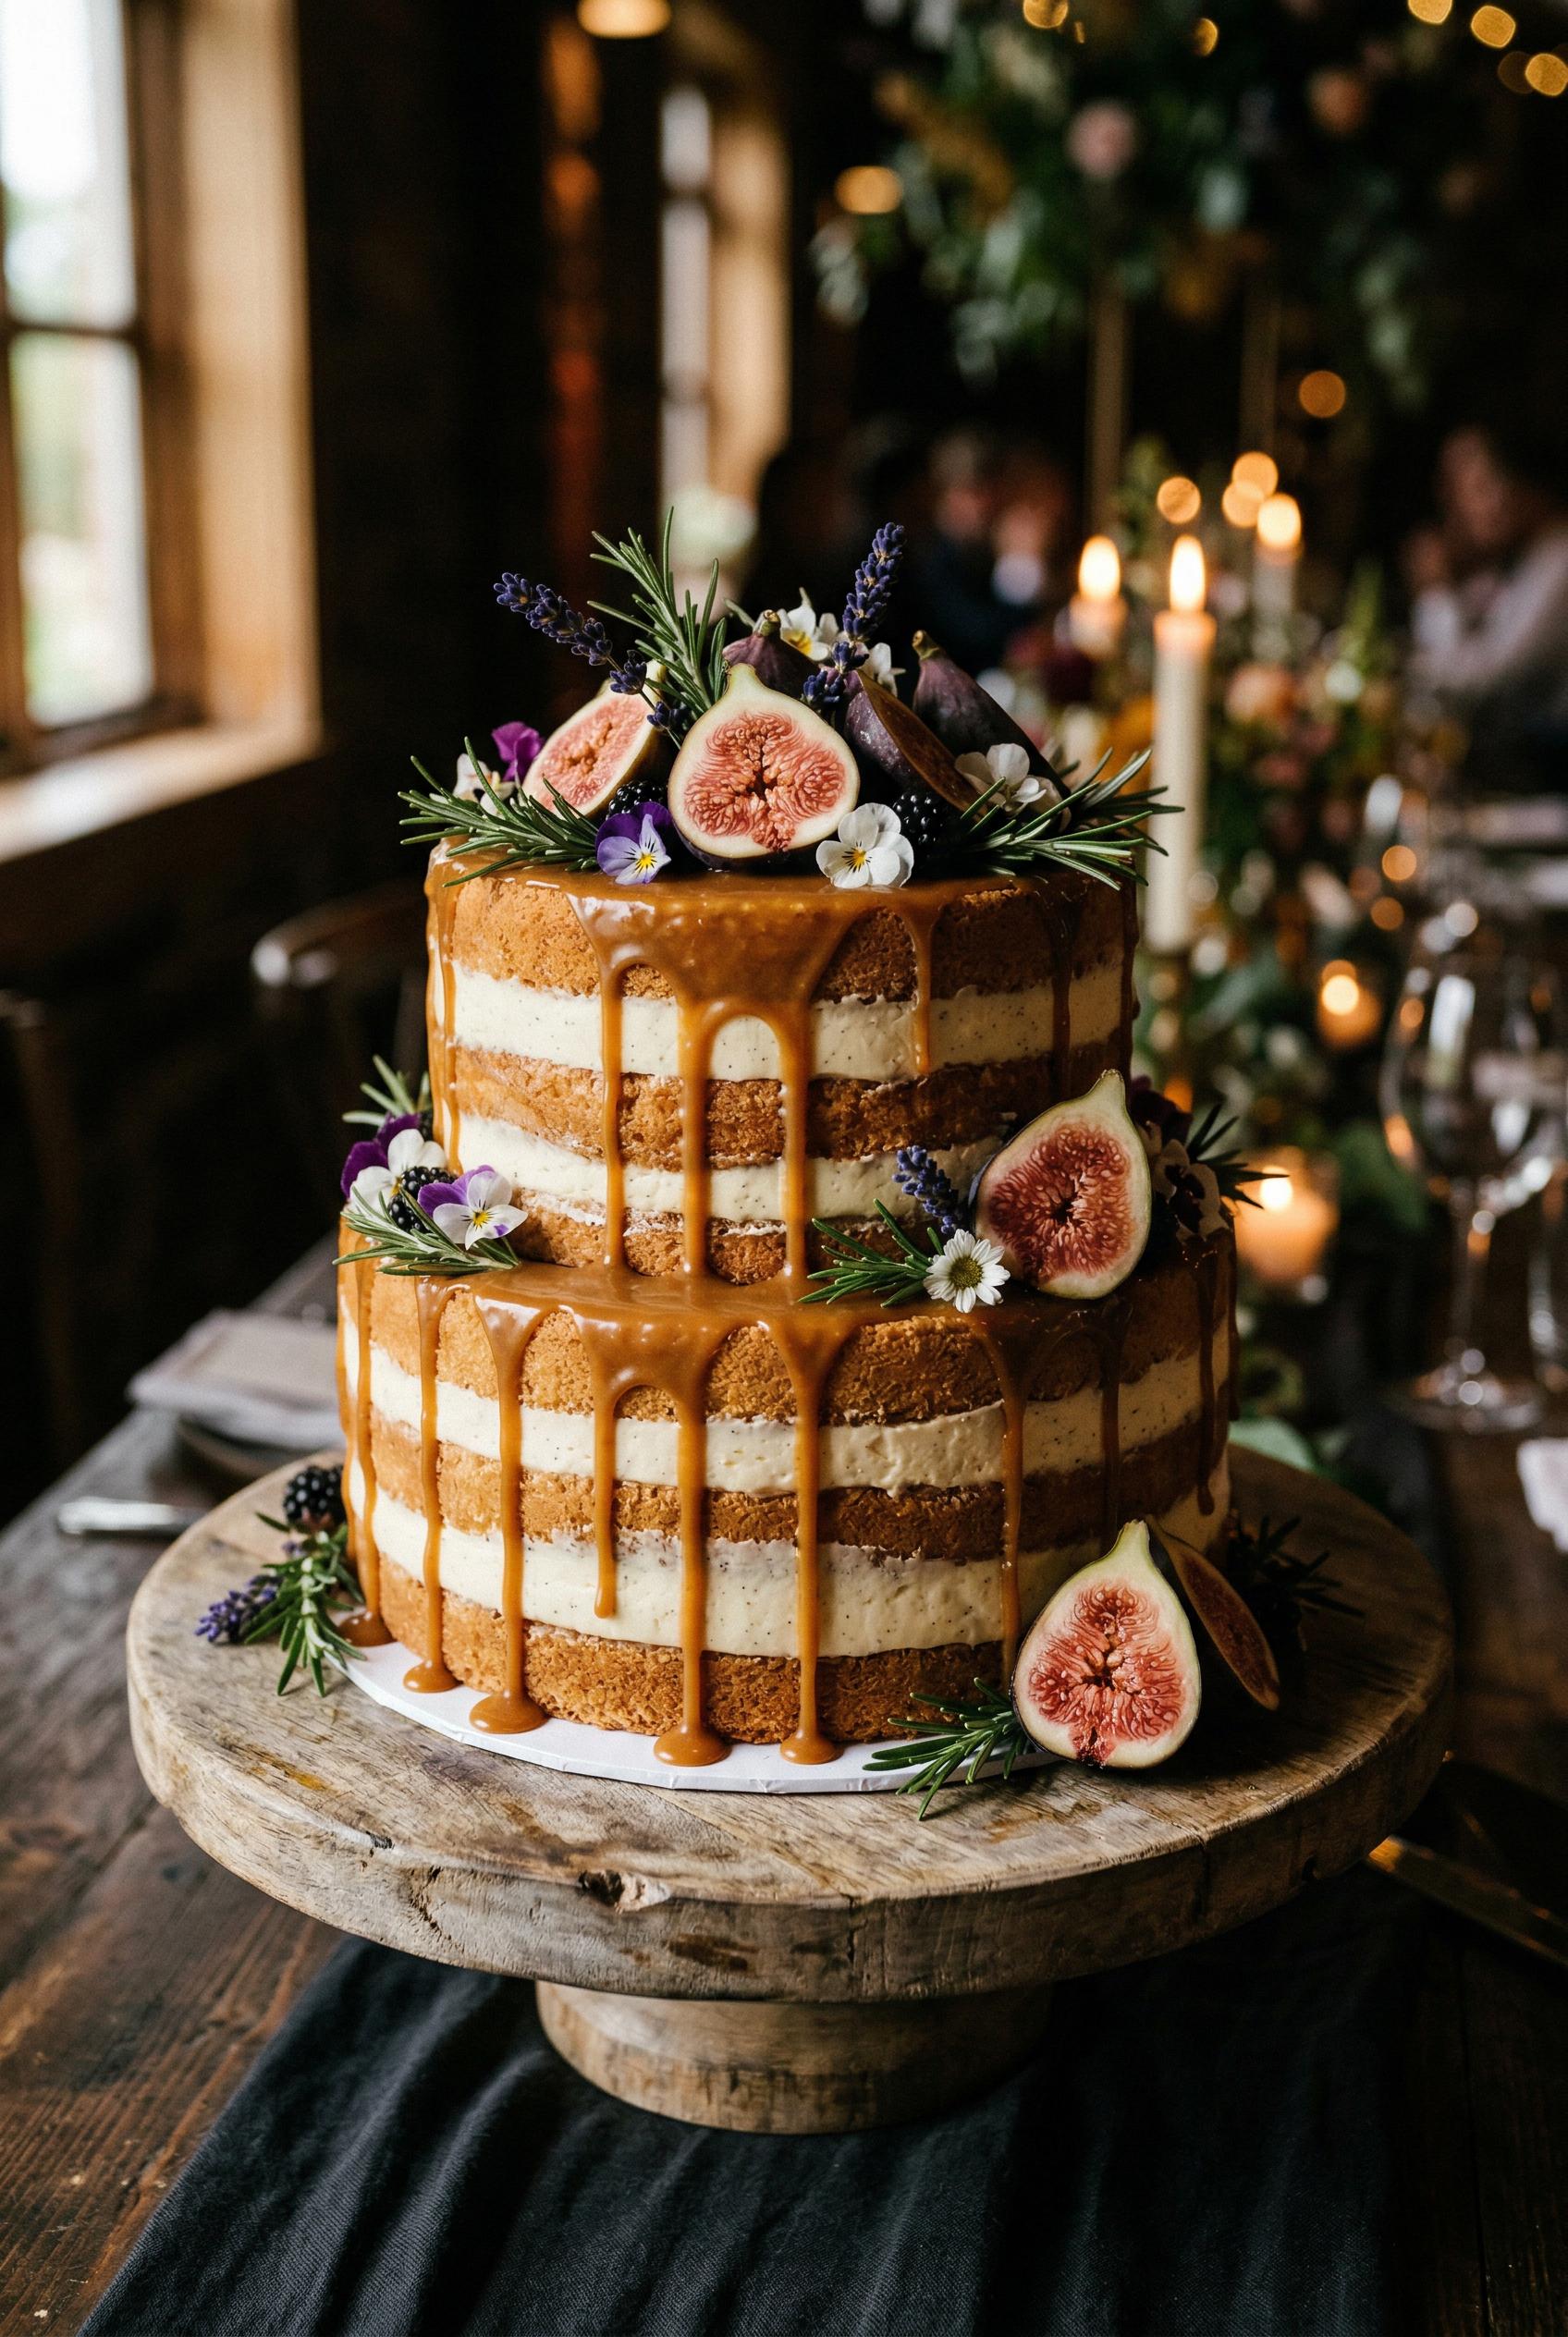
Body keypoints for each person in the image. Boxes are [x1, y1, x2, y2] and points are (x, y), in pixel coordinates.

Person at [1407, 423, 1568, 774]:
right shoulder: (1517, 563)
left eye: (1478, 486)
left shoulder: (1560, 560)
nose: (1463, 506)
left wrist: (1435, 593)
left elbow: (1480, 680)